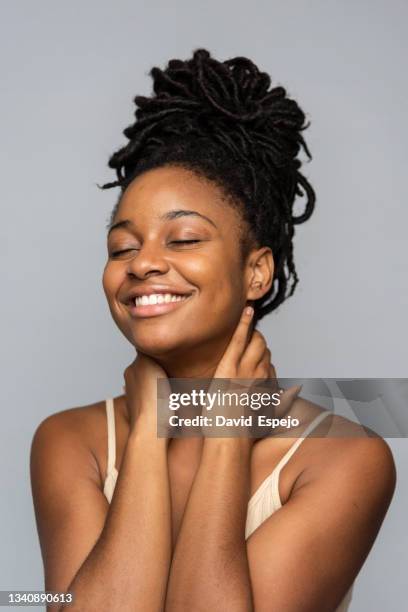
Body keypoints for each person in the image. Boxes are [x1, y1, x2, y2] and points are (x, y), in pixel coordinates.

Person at [30, 48, 396, 612]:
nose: (142, 263)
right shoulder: (69, 441)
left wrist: (224, 435)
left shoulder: (346, 460)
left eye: (183, 239)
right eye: (121, 246)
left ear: (256, 271)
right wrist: (153, 425)